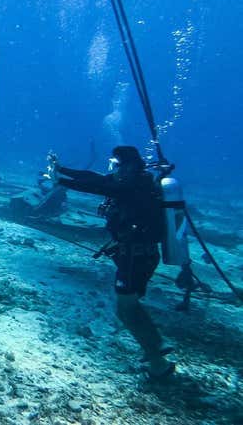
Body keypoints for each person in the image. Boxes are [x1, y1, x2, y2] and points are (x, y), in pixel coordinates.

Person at [47, 146, 175, 380]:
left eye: (114, 165)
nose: (111, 170)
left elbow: (97, 187)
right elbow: (95, 178)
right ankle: (157, 345)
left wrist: (62, 182)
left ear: (128, 167)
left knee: (125, 309)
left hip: (135, 258)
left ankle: (159, 363)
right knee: (131, 305)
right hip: (137, 255)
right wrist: (62, 170)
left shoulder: (131, 187)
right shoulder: (135, 181)